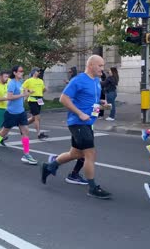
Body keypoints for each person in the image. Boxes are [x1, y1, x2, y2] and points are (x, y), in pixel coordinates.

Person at [40, 55, 112, 199]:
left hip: (87, 123)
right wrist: (80, 113)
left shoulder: (96, 81)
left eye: (103, 66)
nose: (102, 69)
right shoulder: (78, 80)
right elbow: (63, 99)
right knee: (90, 154)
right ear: (91, 65)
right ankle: (92, 188)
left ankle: (50, 166)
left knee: (75, 154)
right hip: (79, 123)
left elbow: (91, 99)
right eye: (100, 66)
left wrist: (102, 103)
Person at [0, 66, 37, 164]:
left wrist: (28, 93)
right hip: (11, 112)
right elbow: (9, 97)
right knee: (4, 131)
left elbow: (23, 94)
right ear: (15, 73)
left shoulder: (20, 82)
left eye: (23, 71)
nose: (22, 73)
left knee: (25, 131)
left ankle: (26, 154)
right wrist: (22, 95)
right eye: (20, 71)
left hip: (21, 112)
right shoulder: (12, 83)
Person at [22, 68, 48, 139]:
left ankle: (22, 126)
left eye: (39, 71)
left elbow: (43, 89)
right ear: (33, 72)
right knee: (37, 117)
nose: (39, 72)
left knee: (33, 118)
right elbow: (22, 88)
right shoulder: (29, 80)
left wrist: (44, 90)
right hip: (32, 100)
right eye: (38, 71)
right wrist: (28, 90)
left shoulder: (41, 81)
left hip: (39, 99)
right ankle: (39, 134)